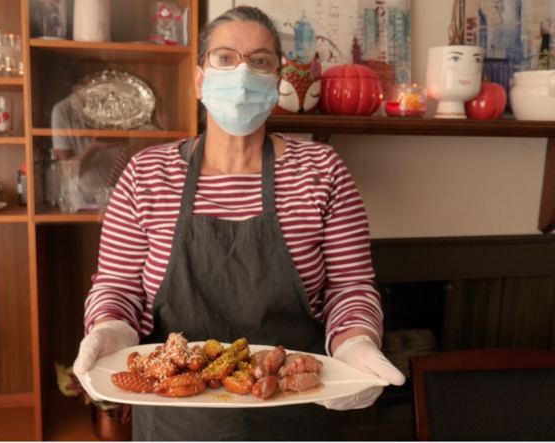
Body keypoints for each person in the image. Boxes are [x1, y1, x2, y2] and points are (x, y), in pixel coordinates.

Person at [73, 6, 405, 441]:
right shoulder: (146, 174)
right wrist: (109, 329)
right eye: (225, 58)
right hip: (176, 417)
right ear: (199, 78)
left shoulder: (322, 170)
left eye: (260, 61)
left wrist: (357, 344)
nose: (243, 72)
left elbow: (350, 287)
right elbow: (118, 286)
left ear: (277, 82)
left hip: (296, 409)